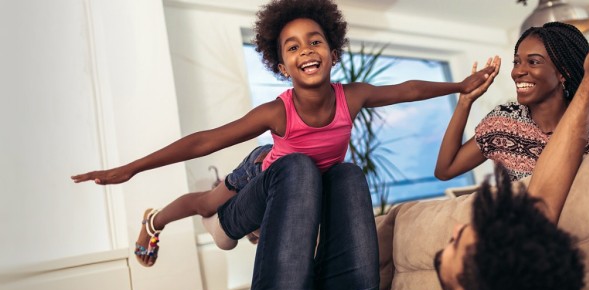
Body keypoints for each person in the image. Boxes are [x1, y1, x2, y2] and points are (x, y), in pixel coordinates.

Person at [170, 2, 589, 290]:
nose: (454, 233)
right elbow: (538, 198)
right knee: (342, 172)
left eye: (463, 241)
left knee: (296, 170)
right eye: (520, 60)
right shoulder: (505, 124)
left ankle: (224, 226)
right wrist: (464, 96)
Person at [70, 0, 496, 268]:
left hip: (313, 181)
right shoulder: (277, 112)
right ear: (280, 65)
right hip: (261, 171)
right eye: (292, 47)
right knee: (208, 204)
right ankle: (154, 220)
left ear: (333, 50)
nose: (305, 51)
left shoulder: (354, 96)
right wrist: (130, 167)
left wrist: (460, 87)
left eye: (314, 42)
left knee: (311, 208)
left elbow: (407, 90)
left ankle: (250, 227)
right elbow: (204, 140)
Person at [434, 20, 589, 182]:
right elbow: (445, 169)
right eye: (517, 62)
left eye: (533, 62)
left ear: (563, 73)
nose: (518, 71)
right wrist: (465, 101)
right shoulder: (503, 123)